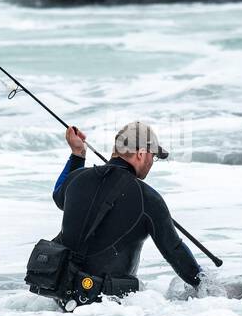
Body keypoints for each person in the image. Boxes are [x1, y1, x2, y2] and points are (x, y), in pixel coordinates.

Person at [49, 120, 214, 299]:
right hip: (110, 305)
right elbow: (174, 251)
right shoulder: (148, 198)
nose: (152, 161)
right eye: (153, 156)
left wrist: (77, 154)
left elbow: (59, 195)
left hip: (61, 292)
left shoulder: (76, 179)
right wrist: (207, 288)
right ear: (141, 154)